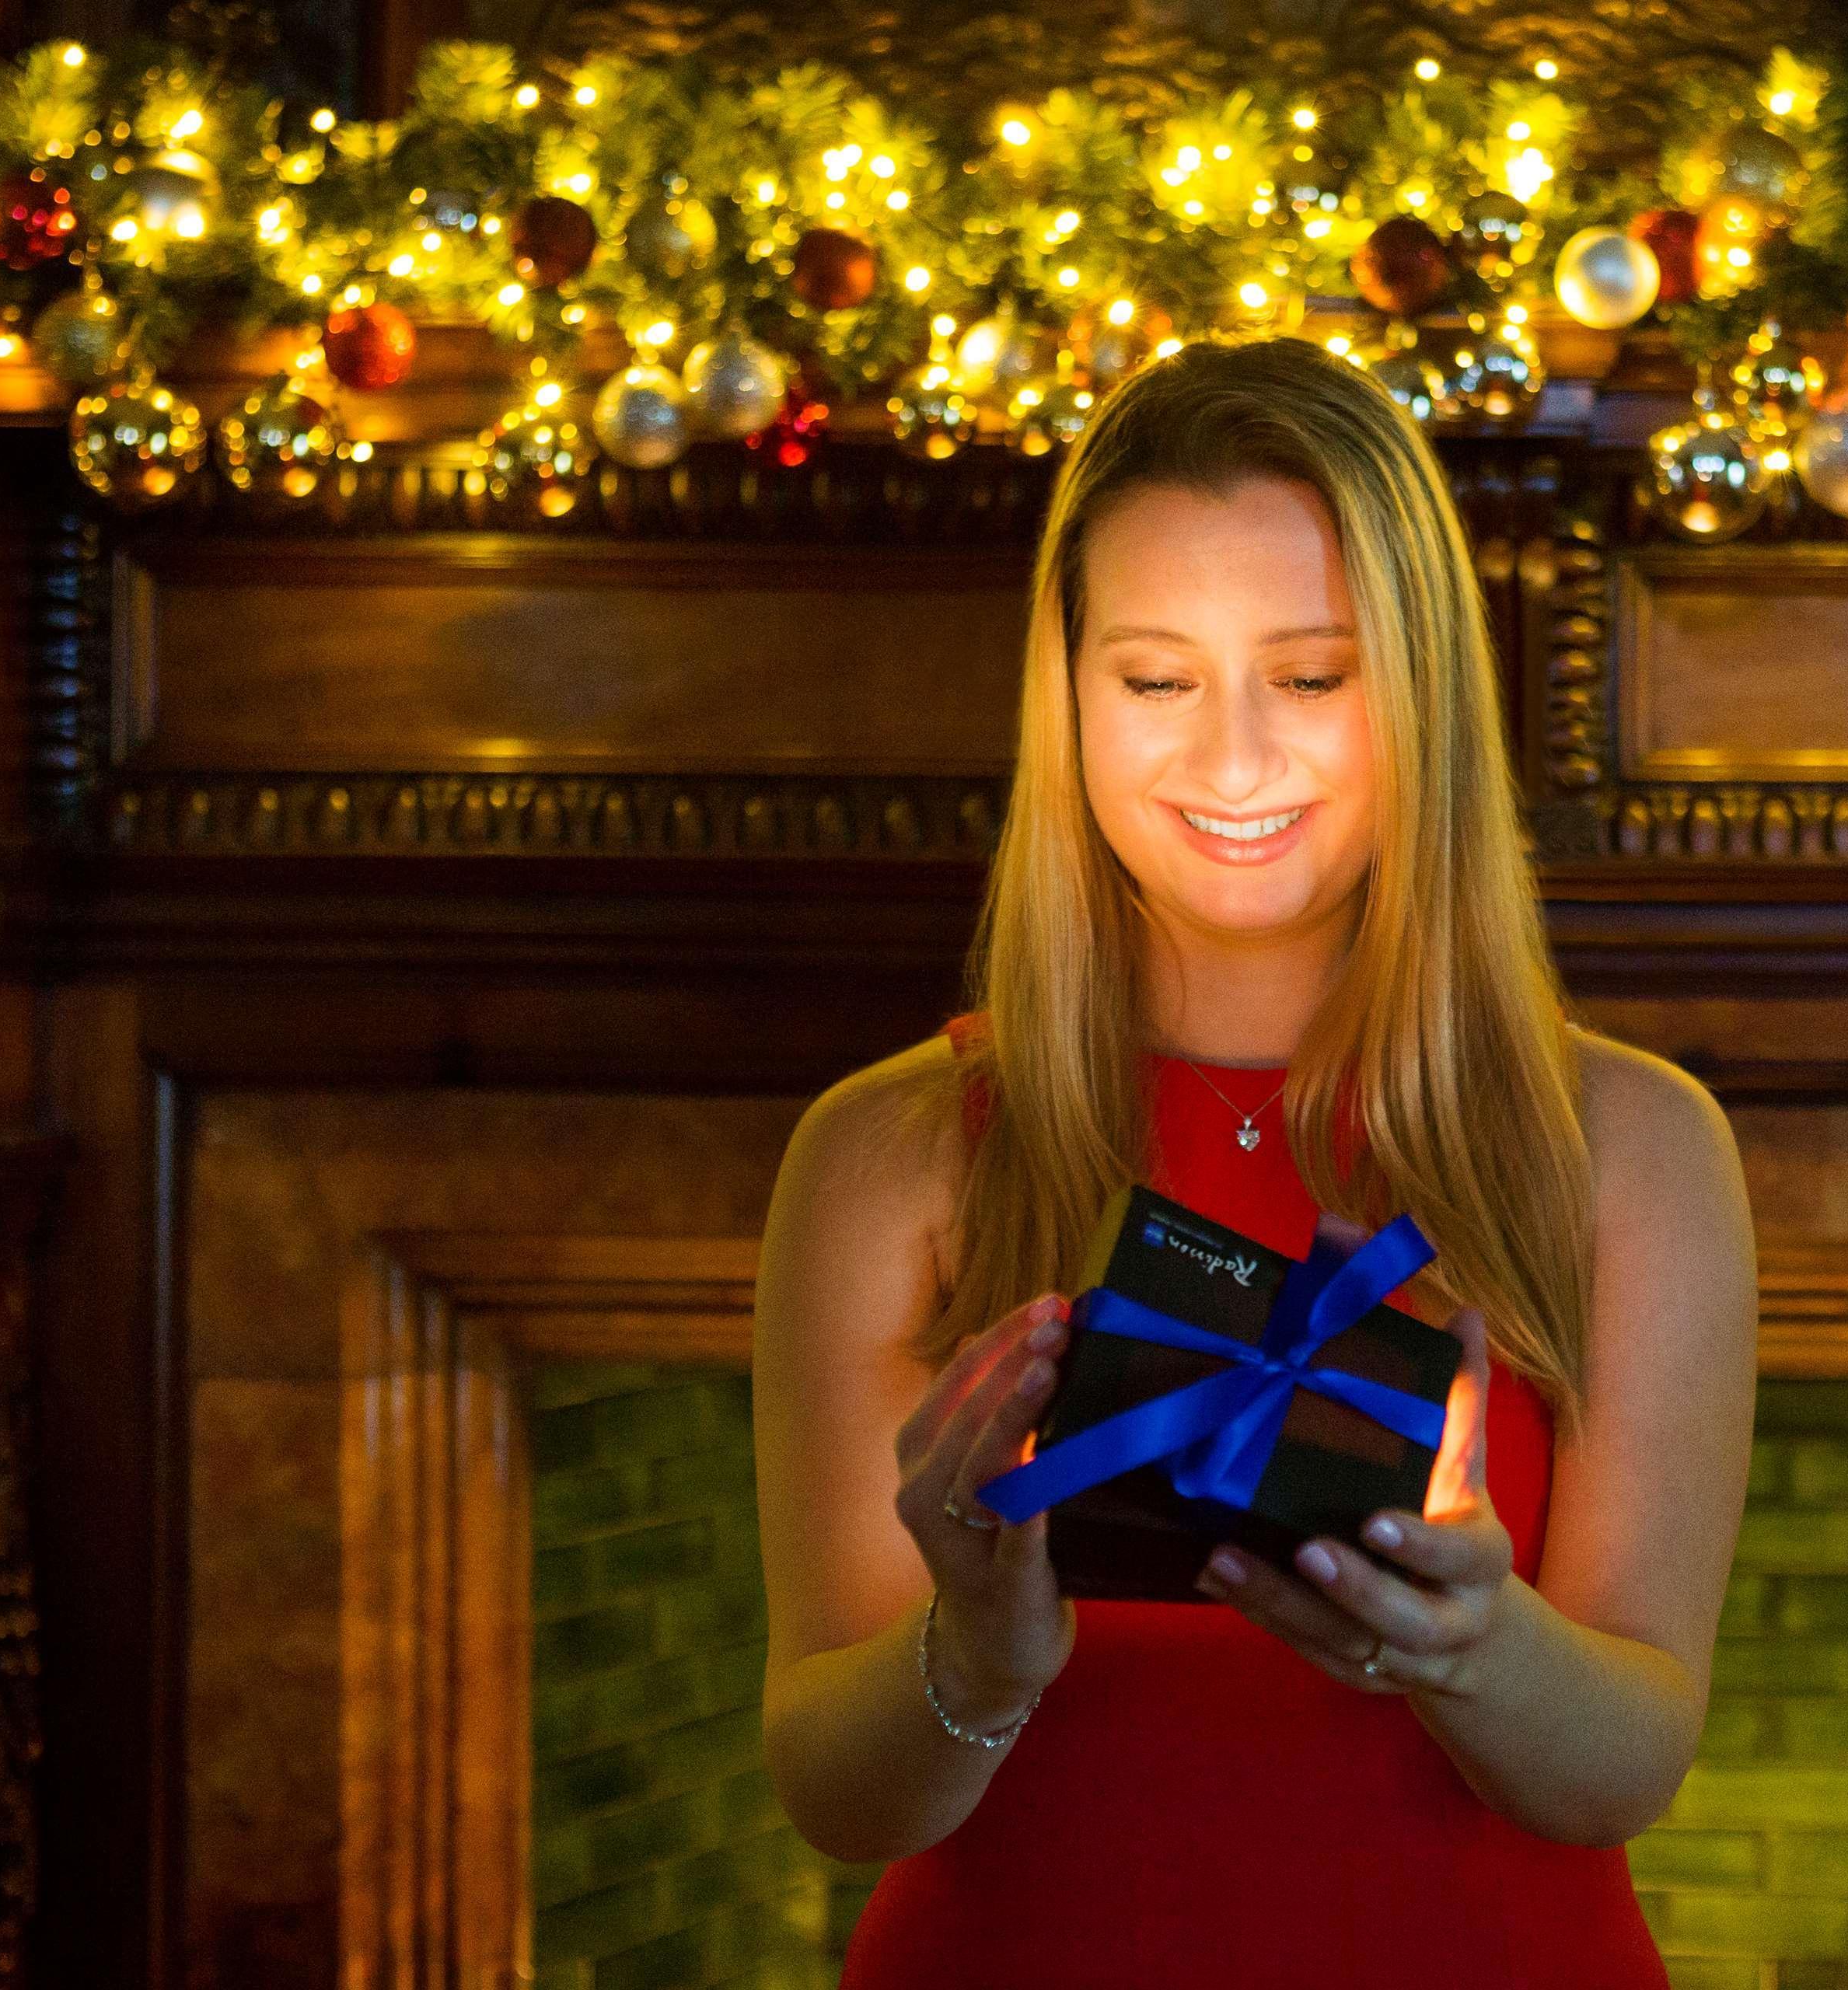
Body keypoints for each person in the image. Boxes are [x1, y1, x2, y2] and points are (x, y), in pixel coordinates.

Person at [749, 333, 1757, 1985]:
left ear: (1419, 687)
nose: (1230, 761)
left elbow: (1627, 1759)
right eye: (1156, 679)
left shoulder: (1630, 1150)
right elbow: (833, 1785)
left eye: (1310, 675)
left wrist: (1471, 1641)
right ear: (1068, 690)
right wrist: (973, 1653)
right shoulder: (891, 1155)